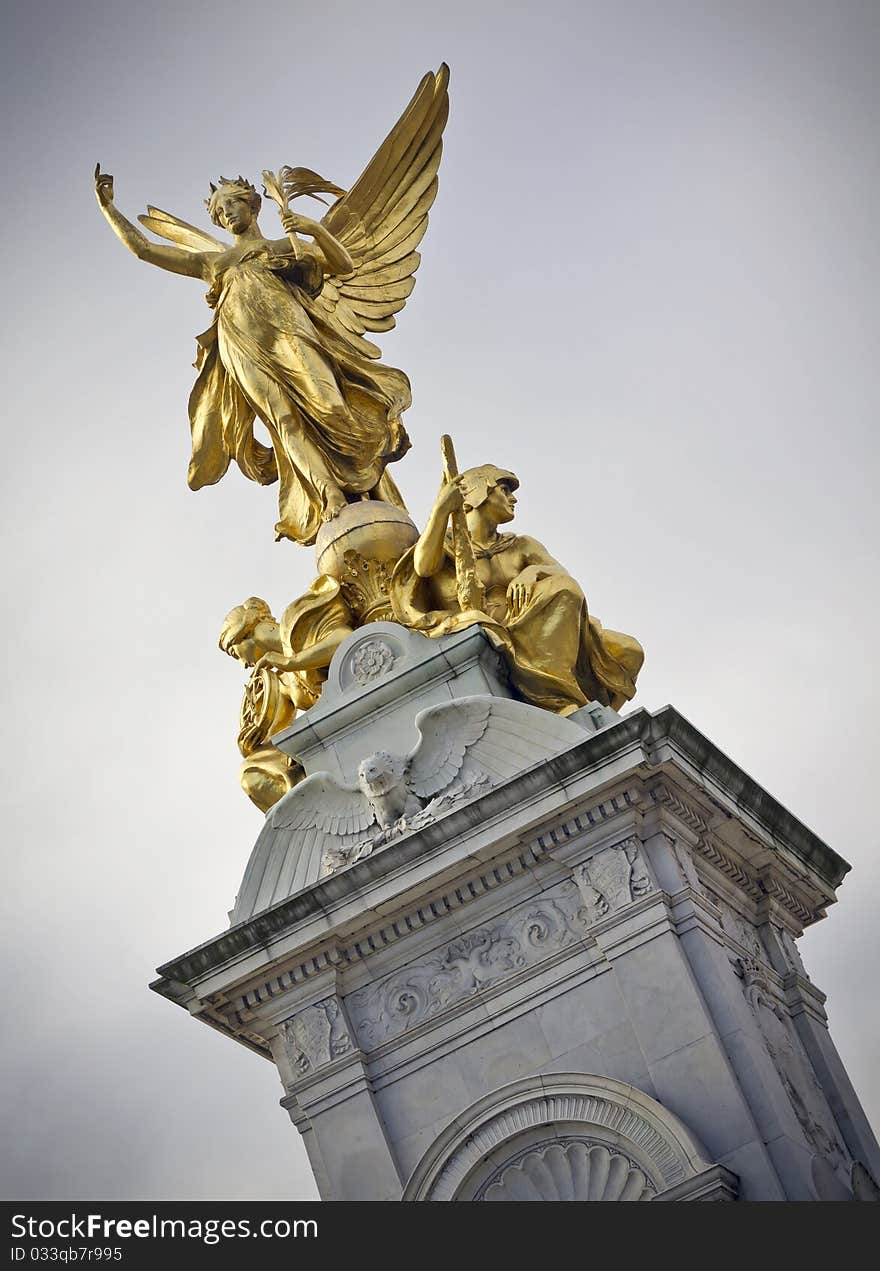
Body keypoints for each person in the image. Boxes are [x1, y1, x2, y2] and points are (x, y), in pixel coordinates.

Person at [94, 170, 410, 544]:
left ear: (253, 203)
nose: (224, 212)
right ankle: (330, 493)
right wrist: (109, 208)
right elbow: (145, 250)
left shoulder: (282, 247)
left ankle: (366, 475)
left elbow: (343, 266)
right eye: (216, 210)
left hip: (291, 332)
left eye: (230, 202)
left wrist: (314, 229)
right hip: (241, 347)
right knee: (285, 422)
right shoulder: (213, 262)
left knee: (331, 405)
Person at [391, 465, 644, 715]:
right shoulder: (446, 542)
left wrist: (531, 572)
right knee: (564, 590)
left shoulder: (521, 545)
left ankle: (595, 715)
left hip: (536, 630)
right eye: (504, 489)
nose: (513, 499)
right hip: (491, 630)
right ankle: (559, 702)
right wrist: (442, 509)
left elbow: (561, 575)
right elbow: (423, 567)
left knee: (628, 652)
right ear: (478, 493)